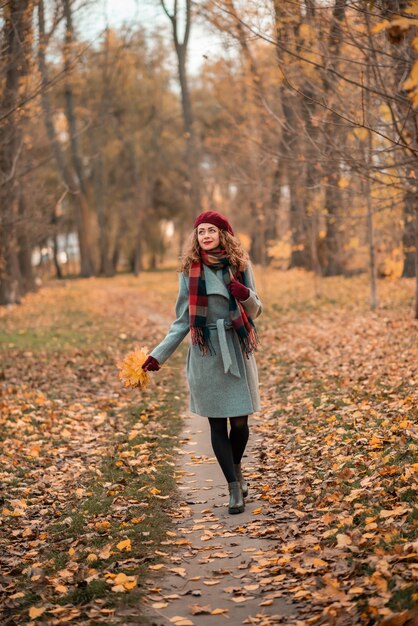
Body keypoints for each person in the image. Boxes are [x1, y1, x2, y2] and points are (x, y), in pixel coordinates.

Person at [142, 211, 262, 514]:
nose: (205, 236)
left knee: (241, 423)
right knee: (217, 424)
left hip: (234, 346)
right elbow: (182, 321)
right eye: (200, 231)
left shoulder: (239, 265)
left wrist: (245, 294)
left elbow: (257, 308)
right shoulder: (189, 271)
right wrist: (158, 355)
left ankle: (236, 469)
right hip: (206, 350)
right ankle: (234, 489)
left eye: (211, 230)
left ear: (223, 234)